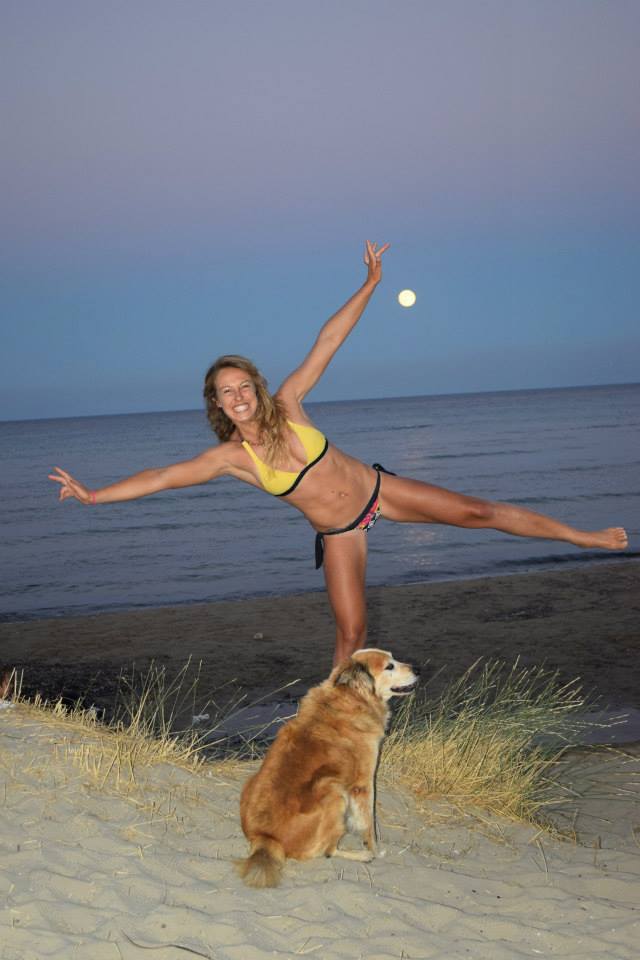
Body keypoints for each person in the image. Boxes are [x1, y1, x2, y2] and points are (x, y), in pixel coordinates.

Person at [50, 241, 628, 664]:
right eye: (227, 393)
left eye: (243, 385)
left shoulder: (290, 403)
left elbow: (328, 339)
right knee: (352, 633)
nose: (239, 396)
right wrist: (95, 494)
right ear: (219, 404)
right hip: (341, 534)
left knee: (481, 513)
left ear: (255, 386)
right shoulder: (230, 458)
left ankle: (584, 537)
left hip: (380, 491)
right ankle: (331, 717)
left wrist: (372, 285)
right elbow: (161, 476)